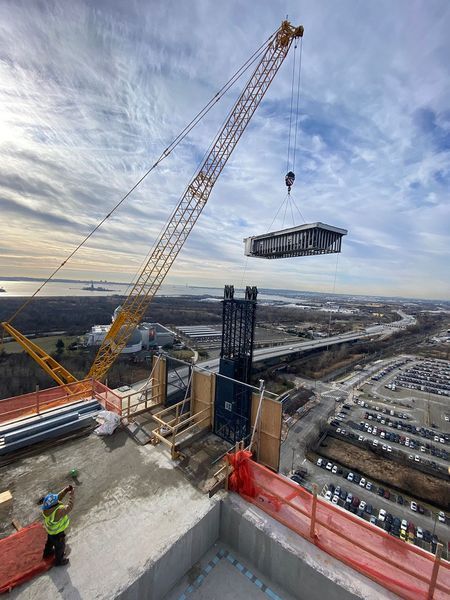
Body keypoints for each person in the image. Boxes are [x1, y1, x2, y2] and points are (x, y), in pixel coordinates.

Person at [41, 485, 75, 566]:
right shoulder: (58, 511)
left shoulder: (47, 509)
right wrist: (72, 495)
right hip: (58, 533)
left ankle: (47, 553)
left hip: (50, 531)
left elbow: (58, 497)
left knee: (49, 542)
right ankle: (59, 561)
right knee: (60, 547)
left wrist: (66, 490)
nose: (58, 498)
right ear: (55, 504)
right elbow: (70, 507)